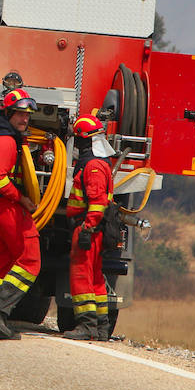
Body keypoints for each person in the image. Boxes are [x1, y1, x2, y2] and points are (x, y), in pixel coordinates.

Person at [0, 88, 40, 340]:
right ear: (8, 113)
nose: (24, 120)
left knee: (0, 265)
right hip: (5, 208)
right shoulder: (5, 141)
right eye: (20, 115)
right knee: (30, 261)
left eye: (27, 115)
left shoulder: (2, 136)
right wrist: (21, 199)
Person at [64, 111, 117, 341]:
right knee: (96, 279)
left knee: (81, 277)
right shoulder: (101, 163)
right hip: (95, 231)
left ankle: (86, 326)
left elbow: (97, 203)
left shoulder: (93, 166)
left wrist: (86, 228)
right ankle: (102, 327)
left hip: (88, 230)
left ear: (85, 139)